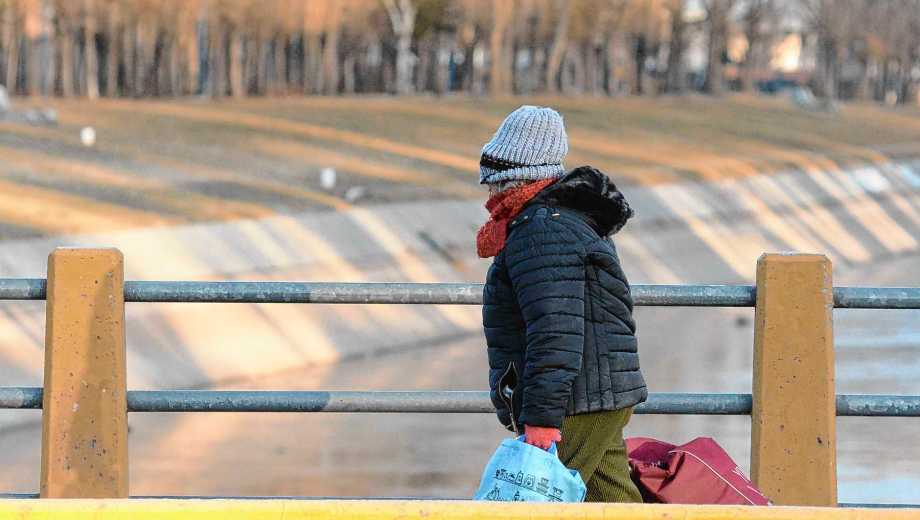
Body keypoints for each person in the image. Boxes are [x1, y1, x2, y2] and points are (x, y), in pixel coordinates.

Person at [478, 105, 647, 503]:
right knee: (615, 504)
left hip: (577, 401)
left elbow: (555, 332)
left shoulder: (542, 231)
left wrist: (540, 417)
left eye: (491, 185)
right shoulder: (561, 220)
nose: (488, 195)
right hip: (596, 394)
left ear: (512, 177)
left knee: (536, 502)